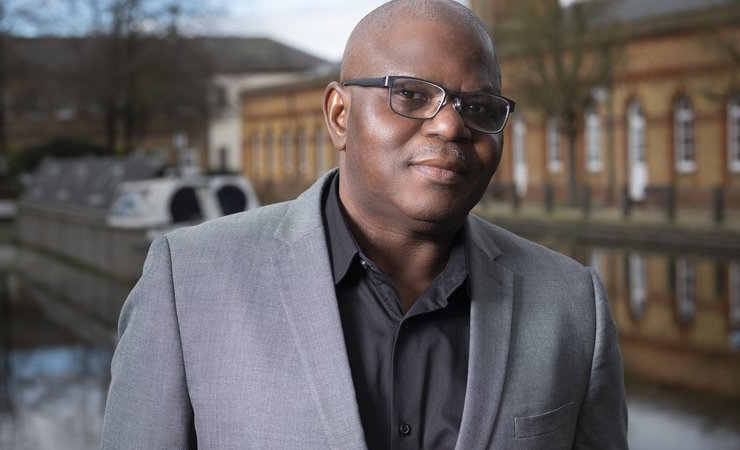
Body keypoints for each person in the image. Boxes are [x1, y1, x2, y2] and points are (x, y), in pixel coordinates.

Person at [101, 0, 629, 448]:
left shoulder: (571, 303)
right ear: (339, 116)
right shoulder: (188, 281)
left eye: (479, 106)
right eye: (412, 95)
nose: (451, 123)